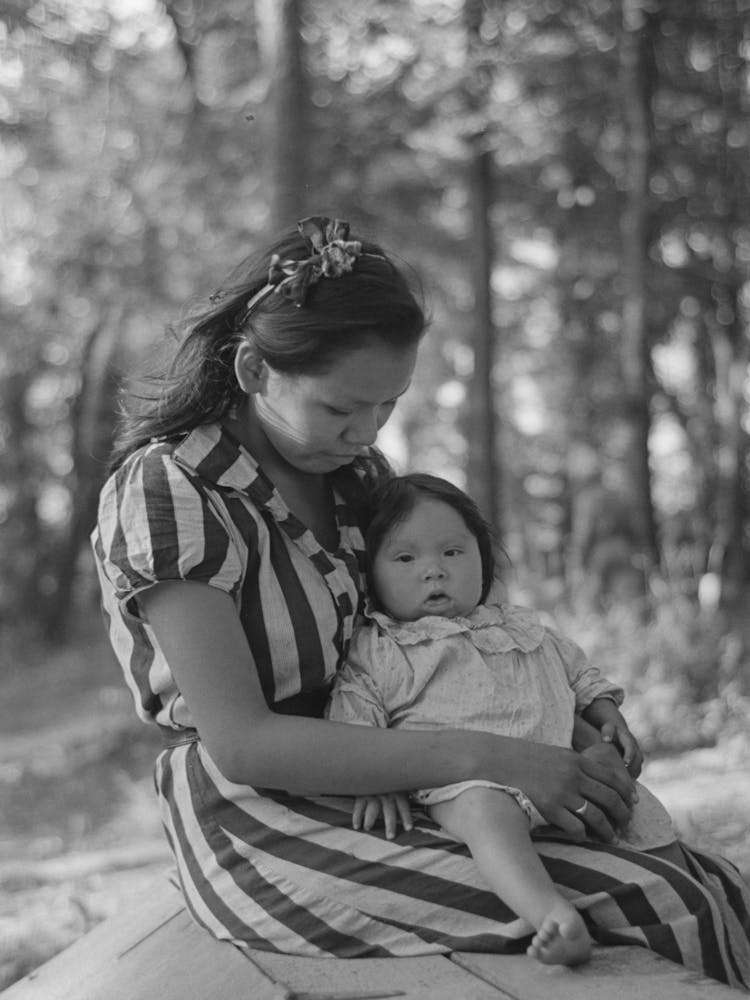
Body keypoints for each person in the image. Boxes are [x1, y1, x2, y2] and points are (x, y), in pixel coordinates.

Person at [91, 215, 750, 988]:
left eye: (387, 406)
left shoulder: (357, 480)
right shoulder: (172, 490)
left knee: (715, 883)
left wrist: (569, 720)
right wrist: (500, 756)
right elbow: (244, 743)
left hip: (419, 772)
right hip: (262, 810)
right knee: (652, 901)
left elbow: (448, 638)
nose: (365, 431)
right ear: (252, 369)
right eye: (341, 408)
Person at [326, 473, 679, 967]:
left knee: (636, 803)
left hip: (563, 771)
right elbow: (354, 709)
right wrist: (375, 776)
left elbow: (577, 673)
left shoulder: (523, 625)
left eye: (453, 553)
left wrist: (606, 713)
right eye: (406, 558)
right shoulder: (382, 646)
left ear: (482, 557)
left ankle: (680, 882)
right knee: (485, 813)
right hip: (464, 783)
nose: (435, 571)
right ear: (372, 573)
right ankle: (552, 916)